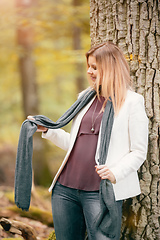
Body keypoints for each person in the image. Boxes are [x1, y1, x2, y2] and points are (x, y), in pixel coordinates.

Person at [27, 42, 148, 240]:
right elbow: (74, 144)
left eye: (95, 67)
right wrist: (49, 130)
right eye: (88, 66)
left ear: (110, 68)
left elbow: (139, 151)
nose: (89, 71)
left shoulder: (132, 102)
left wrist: (115, 172)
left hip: (100, 193)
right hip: (65, 190)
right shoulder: (85, 97)